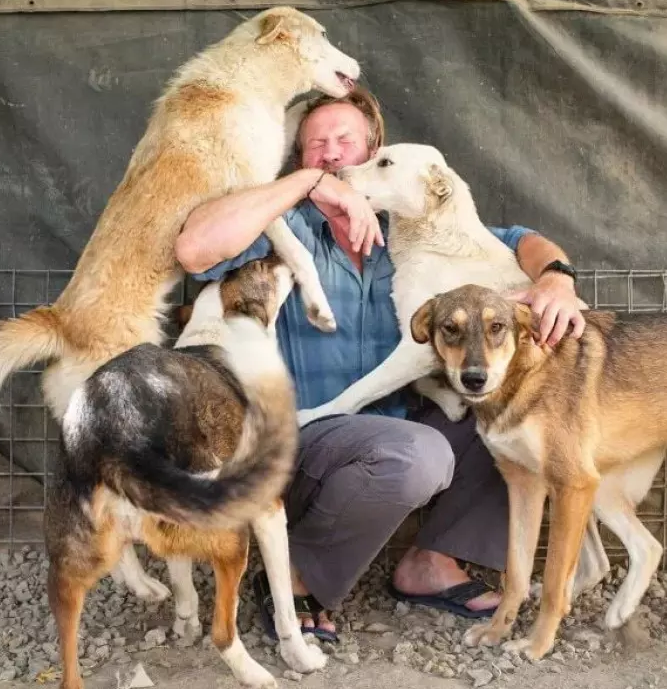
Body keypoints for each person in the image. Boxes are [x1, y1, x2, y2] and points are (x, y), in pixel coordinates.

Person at [174, 87, 585, 641]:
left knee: (512, 412)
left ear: (373, 152)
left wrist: (556, 275)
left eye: (346, 140)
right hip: (305, 434)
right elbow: (196, 249)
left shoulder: (408, 225)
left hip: (398, 422)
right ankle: (293, 577)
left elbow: (517, 241)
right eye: (315, 145)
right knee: (417, 454)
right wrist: (302, 184)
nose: (332, 153)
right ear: (300, 159)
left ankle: (430, 563)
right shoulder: (285, 228)